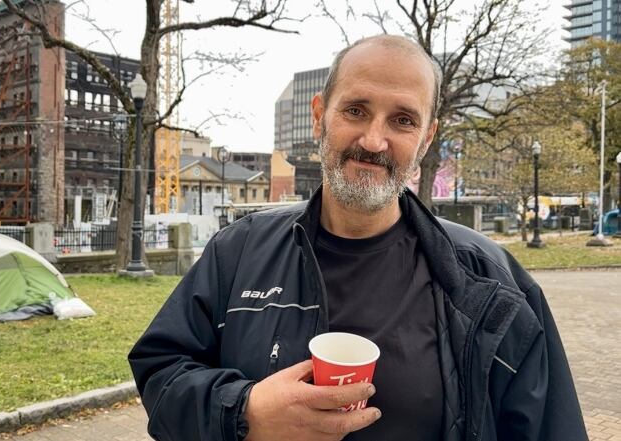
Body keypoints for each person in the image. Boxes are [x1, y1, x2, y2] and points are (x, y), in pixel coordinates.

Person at [128, 35, 587, 441]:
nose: (373, 140)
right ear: (319, 116)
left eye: (402, 120)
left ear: (427, 139)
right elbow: (160, 372)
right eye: (355, 110)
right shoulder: (238, 250)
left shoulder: (491, 281)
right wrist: (242, 412)